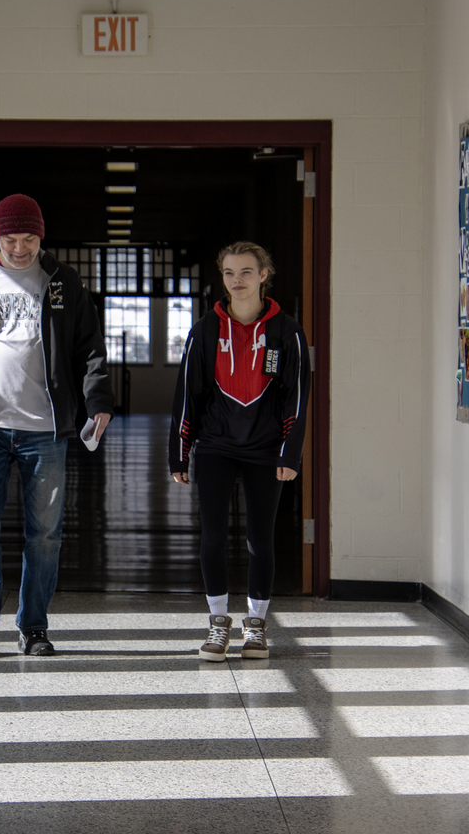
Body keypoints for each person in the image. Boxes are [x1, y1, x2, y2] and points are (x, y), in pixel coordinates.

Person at [0, 194, 114, 659]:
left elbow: (89, 349)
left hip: (44, 428)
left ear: (40, 236)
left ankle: (33, 626)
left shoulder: (63, 282)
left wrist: (97, 402)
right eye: (12, 239)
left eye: (30, 238)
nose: (21, 248)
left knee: (45, 532)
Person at [169, 241, 310, 661]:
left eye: (247, 272)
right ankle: (217, 624)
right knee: (212, 536)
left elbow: (296, 396)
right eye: (230, 273)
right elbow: (187, 395)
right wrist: (179, 452)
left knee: (258, 539)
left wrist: (290, 453)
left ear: (264, 275)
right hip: (215, 446)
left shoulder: (286, 331)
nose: (238, 281)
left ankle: (256, 626)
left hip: (266, 449)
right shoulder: (205, 330)